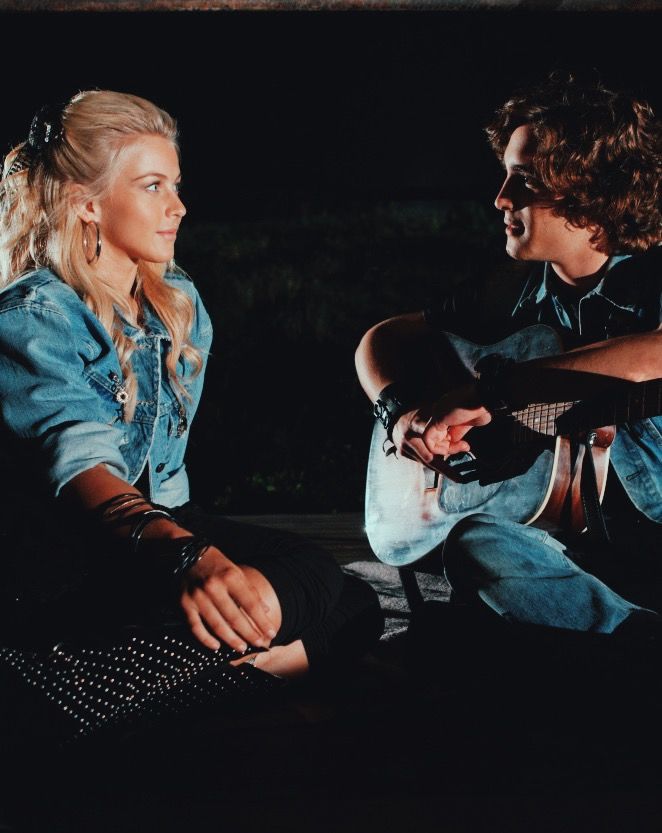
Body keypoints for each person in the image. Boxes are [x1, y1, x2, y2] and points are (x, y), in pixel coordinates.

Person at [0, 91, 383, 743]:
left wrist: (213, 574)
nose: (178, 206)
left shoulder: (175, 303)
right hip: (56, 552)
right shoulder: (33, 316)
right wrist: (189, 560)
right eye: (152, 186)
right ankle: (64, 690)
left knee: (345, 594)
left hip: (141, 544)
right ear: (86, 202)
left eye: (175, 185)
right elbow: (82, 469)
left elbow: (169, 482)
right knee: (319, 603)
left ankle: (111, 686)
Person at [355, 72, 662, 640]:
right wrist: (401, 413)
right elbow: (383, 337)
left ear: (592, 186)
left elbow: (653, 355)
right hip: (586, 542)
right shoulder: (510, 288)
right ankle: (631, 637)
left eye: (523, 179)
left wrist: (491, 393)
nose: (500, 198)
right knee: (479, 544)